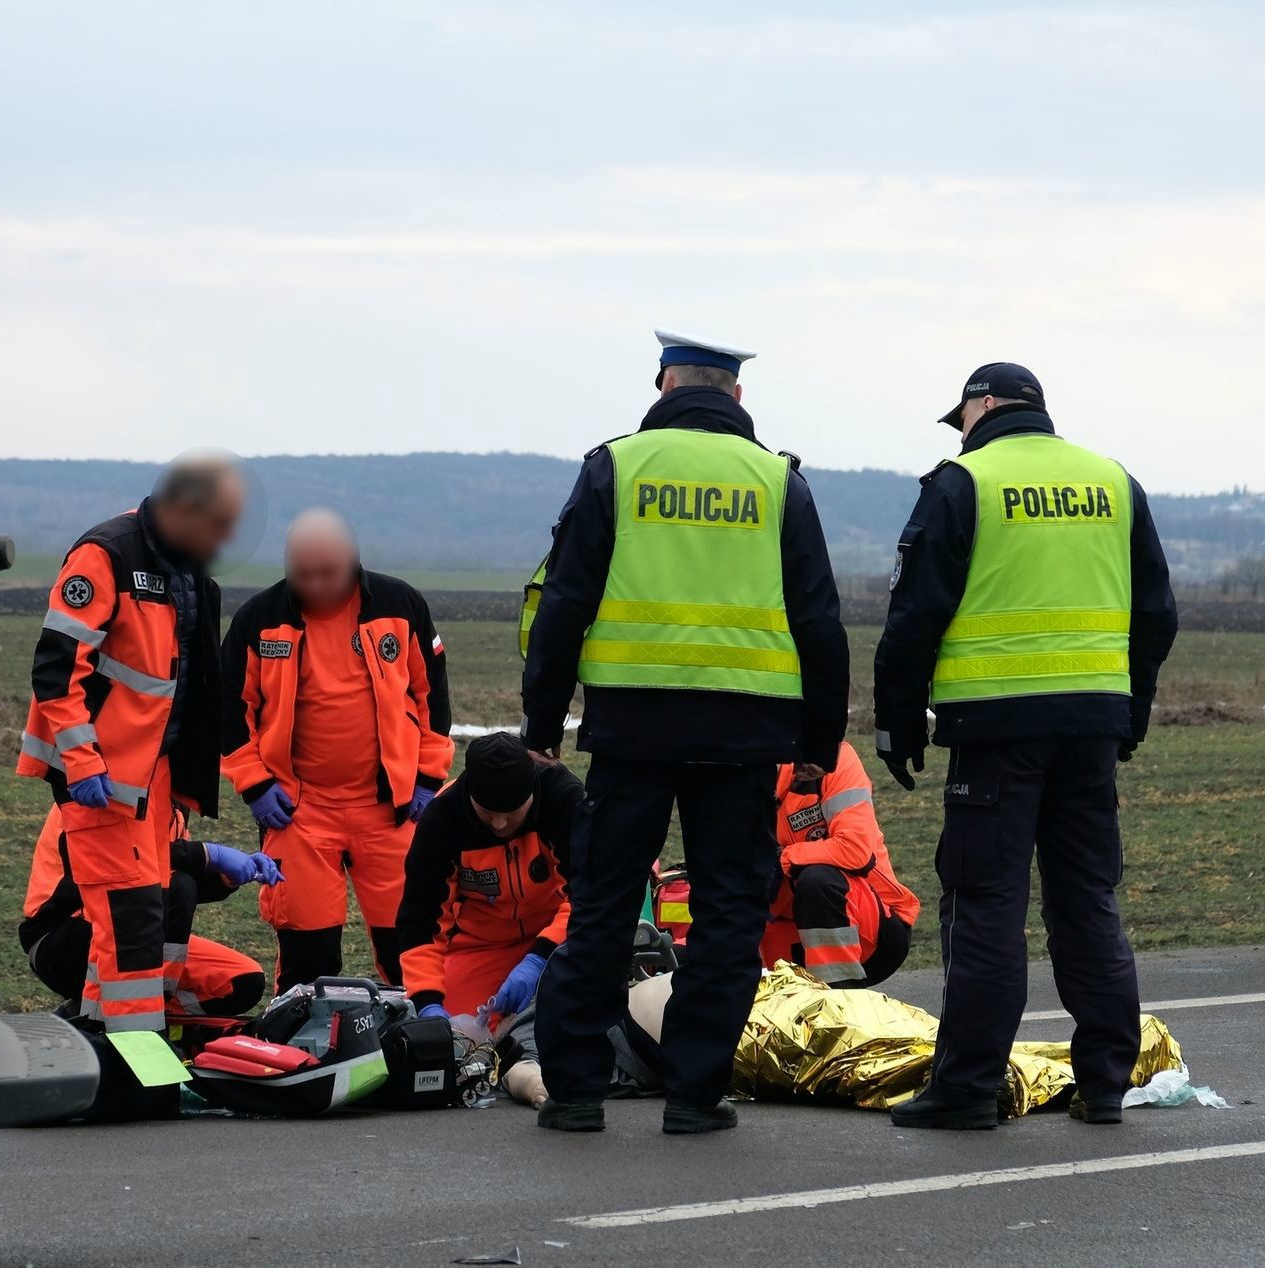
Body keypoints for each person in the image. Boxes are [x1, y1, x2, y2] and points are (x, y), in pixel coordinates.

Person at [521, 330, 849, 1135]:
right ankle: (695, 1096)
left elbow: (564, 600)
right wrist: (818, 740)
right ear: (736, 397)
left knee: (602, 903)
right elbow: (819, 619)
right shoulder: (778, 481)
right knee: (728, 913)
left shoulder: (616, 466)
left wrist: (542, 721)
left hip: (632, 727)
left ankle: (572, 1093)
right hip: (745, 731)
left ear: (664, 384)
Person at [875, 363, 1177, 1130]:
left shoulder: (962, 481)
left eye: (962, 415)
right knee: (1086, 901)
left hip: (995, 732)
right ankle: (1105, 1083)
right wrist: (1128, 711)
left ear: (980, 406)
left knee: (984, 906)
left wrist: (898, 721)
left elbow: (914, 617)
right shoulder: (1112, 481)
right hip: (1089, 732)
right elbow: (1157, 612)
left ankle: (968, 1089)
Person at [15, 452, 244, 1034]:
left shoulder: (187, 571)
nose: (224, 537)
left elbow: (181, 682)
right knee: (131, 920)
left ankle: (100, 1039)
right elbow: (56, 667)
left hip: (151, 774)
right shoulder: (106, 554)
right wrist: (80, 760)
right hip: (100, 776)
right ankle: (135, 1056)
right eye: (217, 522)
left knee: (144, 910)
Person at [222, 508, 453, 989]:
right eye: (303, 574)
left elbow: (433, 700)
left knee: (408, 942)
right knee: (308, 950)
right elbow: (228, 713)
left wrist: (428, 779)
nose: (316, 585)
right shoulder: (258, 621)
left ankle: (414, 1037)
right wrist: (256, 785)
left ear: (352, 561)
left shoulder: (401, 605)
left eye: (327, 573)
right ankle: (304, 1050)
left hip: (392, 811)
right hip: (298, 814)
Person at [396, 733, 584, 1023]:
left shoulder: (564, 800)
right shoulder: (442, 819)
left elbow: (589, 897)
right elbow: (420, 922)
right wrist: (427, 1001)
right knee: (461, 1031)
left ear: (532, 793)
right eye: (487, 813)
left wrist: (540, 957)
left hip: (562, 934)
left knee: (569, 1016)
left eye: (511, 813)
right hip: (482, 944)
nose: (499, 824)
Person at [19, 810, 277, 1020]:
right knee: (179, 887)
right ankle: (142, 1012)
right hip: (62, 938)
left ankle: (96, 1016)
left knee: (244, 982)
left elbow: (170, 877)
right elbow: (125, 857)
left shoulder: (170, 802)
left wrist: (228, 875)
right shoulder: (104, 781)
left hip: (131, 934)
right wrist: (207, 855)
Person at [765, 741, 920, 988]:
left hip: (872, 929)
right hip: (783, 936)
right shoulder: (734, 776)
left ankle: (839, 1002)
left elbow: (855, 850)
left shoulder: (830, 756)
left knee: (818, 880)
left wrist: (783, 859)